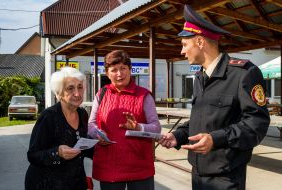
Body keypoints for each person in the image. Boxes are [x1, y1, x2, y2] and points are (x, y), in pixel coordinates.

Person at [158, 4, 270, 190]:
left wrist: (216, 139)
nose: (182, 51)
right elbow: (200, 121)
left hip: (226, 178)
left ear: (200, 42)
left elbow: (256, 124)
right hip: (197, 174)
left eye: (185, 45)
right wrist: (177, 136)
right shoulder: (200, 77)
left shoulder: (243, 73)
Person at [88, 50, 161, 190]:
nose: (119, 74)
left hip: (139, 167)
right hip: (109, 166)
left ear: (130, 69)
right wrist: (98, 134)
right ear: (107, 73)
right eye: (114, 70)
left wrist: (138, 127)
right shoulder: (101, 94)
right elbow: (91, 124)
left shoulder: (144, 95)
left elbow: (157, 128)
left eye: (123, 68)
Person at [25, 67, 92, 190]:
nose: (77, 93)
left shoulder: (82, 114)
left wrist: (97, 143)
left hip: (75, 181)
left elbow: (79, 146)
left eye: (80, 87)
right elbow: (33, 155)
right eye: (70, 88)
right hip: (47, 183)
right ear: (59, 93)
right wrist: (57, 152)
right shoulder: (48, 117)